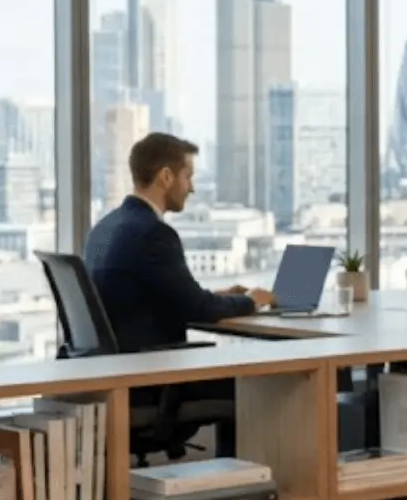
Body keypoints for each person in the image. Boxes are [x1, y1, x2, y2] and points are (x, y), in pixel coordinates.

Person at [83, 133, 274, 353]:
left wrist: (221, 296)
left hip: (116, 366)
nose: (191, 188)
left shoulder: (103, 228)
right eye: (188, 176)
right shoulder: (153, 233)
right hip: (149, 371)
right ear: (166, 177)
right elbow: (197, 309)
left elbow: (165, 298)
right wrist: (251, 300)